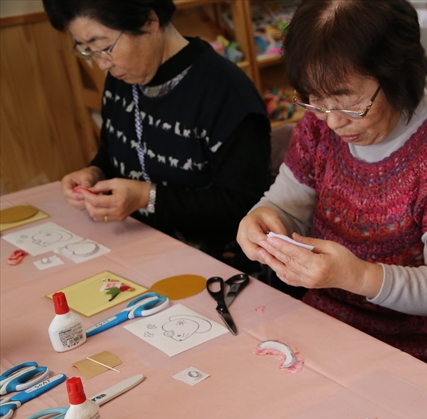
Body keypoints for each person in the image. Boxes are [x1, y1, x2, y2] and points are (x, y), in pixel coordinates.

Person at [237, 0, 427, 394]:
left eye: (351, 103)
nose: (334, 121)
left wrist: (357, 276)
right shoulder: (320, 125)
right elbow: (286, 204)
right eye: (316, 100)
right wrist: (262, 217)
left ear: (397, 74)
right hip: (327, 327)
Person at [43, 0, 272, 263]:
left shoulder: (227, 93)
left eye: (105, 47)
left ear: (149, 21)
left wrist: (147, 197)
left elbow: (244, 204)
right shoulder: (122, 77)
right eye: (88, 50)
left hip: (217, 263)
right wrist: (95, 172)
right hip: (134, 245)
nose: (102, 64)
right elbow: (115, 146)